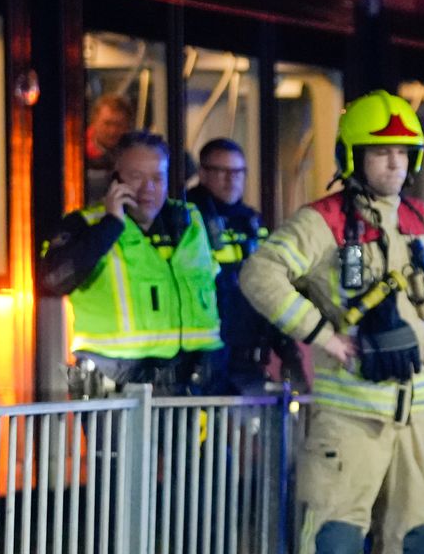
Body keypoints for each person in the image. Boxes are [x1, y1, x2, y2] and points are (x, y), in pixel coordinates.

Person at [240, 90, 424, 554]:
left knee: (412, 547)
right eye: (380, 152)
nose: (394, 163)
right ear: (354, 157)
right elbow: (261, 274)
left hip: (415, 416)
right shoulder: (322, 221)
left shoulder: (420, 221)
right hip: (349, 421)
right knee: (334, 546)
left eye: (402, 153)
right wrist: (323, 336)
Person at [42, 131, 225, 395]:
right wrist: (110, 226)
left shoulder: (189, 223)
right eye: (136, 177)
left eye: (157, 178)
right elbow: (53, 281)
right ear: (115, 179)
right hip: (113, 386)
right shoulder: (85, 225)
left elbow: (222, 293)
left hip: (186, 385)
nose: (147, 188)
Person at [186, 137, 288, 393]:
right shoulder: (187, 217)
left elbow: (271, 285)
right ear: (202, 173)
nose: (231, 179)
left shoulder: (251, 222)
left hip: (250, 355)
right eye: (222, 171)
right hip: (204, 359)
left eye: (238, 172)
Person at [83, 93, 133, 202]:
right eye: (107, 123)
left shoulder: (136, 155)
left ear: (128, 126)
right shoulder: (77, 155)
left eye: (119, 125)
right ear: (94, 122)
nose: (112, 131)